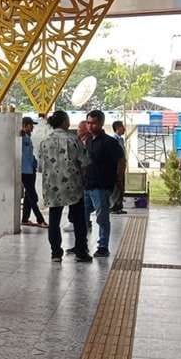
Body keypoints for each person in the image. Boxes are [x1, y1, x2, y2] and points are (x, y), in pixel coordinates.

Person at [38, 110, 92, 263]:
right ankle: (81, 252)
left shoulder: (45, 142)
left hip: (52, 186)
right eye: (68, 120)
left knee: (54, 220)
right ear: (63, 122)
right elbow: (85, 162)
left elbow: (41, 167)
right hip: (74, 186)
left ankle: (56, 253)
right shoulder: (74, 140)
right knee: (79, 219)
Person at [83, 110, 125, 258]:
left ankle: (103, 246)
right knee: (81, 216)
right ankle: (81, 245)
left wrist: (119, 179)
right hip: (87, 185)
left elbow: (121, 160)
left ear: (100, 123)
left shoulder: (110, 142)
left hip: (101, 185)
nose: (90, 126)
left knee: (102, 218)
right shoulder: (88, 141)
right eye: (88, 122)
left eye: (93, 123)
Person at [21, 116, 47, 227]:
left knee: (28, 196)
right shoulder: (21, 137)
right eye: (31, 125)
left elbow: (29, 155)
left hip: (30, 170)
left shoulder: (27, 137)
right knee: (33, 196)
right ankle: (40, 219)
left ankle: (25, 219)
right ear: (25, 125)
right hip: (24, 171)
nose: (32, 128)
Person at [110, 120, 127, 214]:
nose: (124, 129)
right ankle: (113, 207)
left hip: (122, 166)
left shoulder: (121, 139)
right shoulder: (114, 140)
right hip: (116, 167)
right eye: (122, 127)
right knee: (116, 187)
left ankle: (119, 207)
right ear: (117, 128)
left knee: (121, 187)